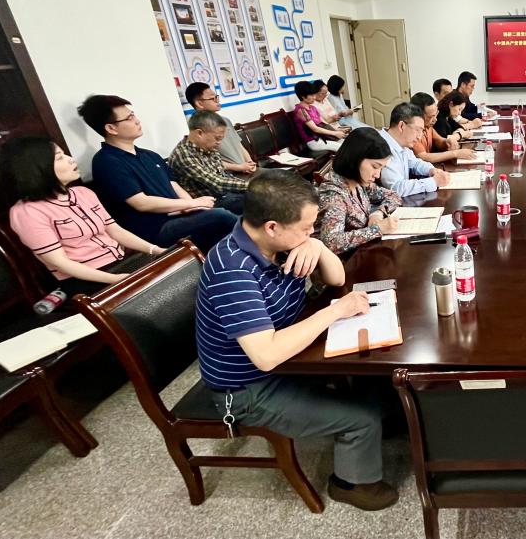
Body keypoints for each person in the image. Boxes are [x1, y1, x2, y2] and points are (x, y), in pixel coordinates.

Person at [197, 169, 398, 511]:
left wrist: (315, 245)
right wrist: (336, 312)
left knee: (375, 375)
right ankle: (350, 484)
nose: (311, 232)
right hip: (249, 388)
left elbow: (338, 278)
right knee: (361, 418)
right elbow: (266, 355)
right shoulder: (233, 269)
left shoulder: (276, 244)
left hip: (293, 355)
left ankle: (383, 423)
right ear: (272, 226)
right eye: (306, 228)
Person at [0, 137, 166, 296]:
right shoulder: (26, 212)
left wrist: (155, 250)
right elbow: (59, 262)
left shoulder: (83, 193)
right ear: (38, 168)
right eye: (60, 158)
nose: (71, 159)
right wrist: (115, 279)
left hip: (122, 262)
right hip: (87, 280)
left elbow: (115, 231)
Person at [79, 94, 238, 251]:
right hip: (156, 229)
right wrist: (192, 203)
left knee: (233, 208)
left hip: (180, 216)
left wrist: (193, 206)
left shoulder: (150, 155)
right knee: (220, 216)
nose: (137, 121)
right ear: (111, 128)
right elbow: (141, 203)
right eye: (129, 118)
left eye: (133, 115)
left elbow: (173, 185)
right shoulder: (106, 162)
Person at [317, 128, 401, 253]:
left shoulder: (359, 182)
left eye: (381, 168)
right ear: (355, 159)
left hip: (361, 252)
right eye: (375, 166)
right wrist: (377, 229)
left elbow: (393, 196)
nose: (377, 175)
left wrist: (378, 213)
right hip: (343, 261)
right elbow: (332, 242)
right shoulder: (334, 194)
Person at [167, 111, 247, 214]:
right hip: (208, 204)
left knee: (260, 194)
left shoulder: (208, 147)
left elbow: (223, 175)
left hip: (224, 195)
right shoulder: (183, 155)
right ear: (199, 133)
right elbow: (217, 182)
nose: (219, 143)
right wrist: (251, 186)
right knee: (258, 200)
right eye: (217, 138)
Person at [377, 103, 451, 197]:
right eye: (417, 130)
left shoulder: (401, 143)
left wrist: (431, 170)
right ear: (401, 126)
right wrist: (433, 182)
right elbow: (396, 188)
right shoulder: (382, 146)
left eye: (422, 131)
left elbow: (415, 163)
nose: (419, 137)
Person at [184, 82, 257, 174]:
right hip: (228, 175)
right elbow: (208, 161)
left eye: (216, 97)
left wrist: (250, 163)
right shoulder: (198, 129)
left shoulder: (225, 120)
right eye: (212, 98)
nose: (217, 101)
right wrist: (239, 167)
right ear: (199, 103)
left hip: (245, 169)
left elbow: (239, 145)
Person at [409, 92, 477, 166]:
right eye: (430, 117)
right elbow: (424, 157)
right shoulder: (412, 132)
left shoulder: (429, 127)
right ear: (417, 116)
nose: (435, 119)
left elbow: (440, 141)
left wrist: (448, 142)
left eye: (436, 114)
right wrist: (455, 153)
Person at [292, 80, 347, 152]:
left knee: (346, 142)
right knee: (342, 148)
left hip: (323, 138)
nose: (314, 97)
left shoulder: (312, 108)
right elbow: (315, 129)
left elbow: (324, 123)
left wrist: (337, 130)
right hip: (314, 142)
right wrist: (335, 133)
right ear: (303, 97)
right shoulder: (301, 110)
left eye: (314, 94)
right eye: (311, 95)